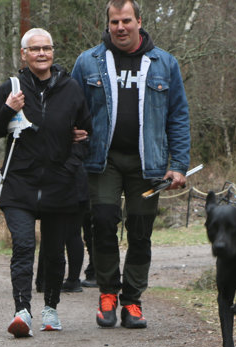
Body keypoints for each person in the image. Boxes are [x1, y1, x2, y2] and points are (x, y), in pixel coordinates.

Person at [71, 0, 191, 329]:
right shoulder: (87, 62)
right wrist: (72, 133)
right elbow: (70, 107)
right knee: (104, 222)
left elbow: (178, 117)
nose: (120, 27)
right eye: (114, 22)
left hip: (148, 163)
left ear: (139, 21)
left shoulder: (165, 64)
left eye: (126, 20)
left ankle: (133, 302)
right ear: (107, 24)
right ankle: (108, 295)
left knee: (140, 230)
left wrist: (178, 164)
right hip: (102, 160)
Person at [0, 28, 92, 338]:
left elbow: (87, 134)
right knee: (24, 245)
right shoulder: (12, 88)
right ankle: (22, 312)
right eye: (35, 49)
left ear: (53, 52)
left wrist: (71, 163)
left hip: (60, 184)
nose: (42, 54)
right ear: (24, 54)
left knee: (55, 251)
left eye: (47, 48)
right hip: (20, 184)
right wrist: (9, 108)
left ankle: (51, 309)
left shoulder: (71, 89)